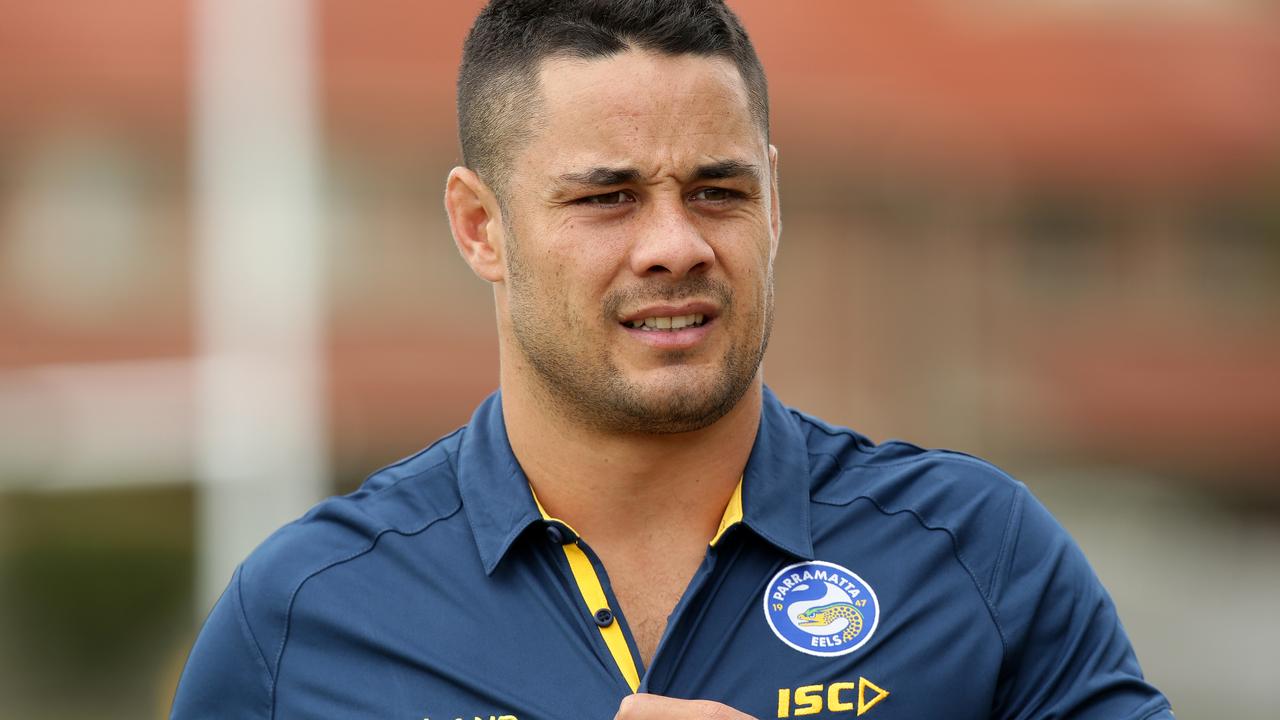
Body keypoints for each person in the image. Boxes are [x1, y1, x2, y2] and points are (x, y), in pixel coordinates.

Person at [171, 2, 1174, 718]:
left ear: (772, 202)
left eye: (716, 191)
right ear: (480, 227)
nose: (675, 245)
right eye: (606, 198)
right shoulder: (310, 610)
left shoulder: (976, 553)